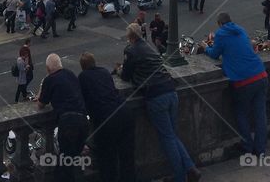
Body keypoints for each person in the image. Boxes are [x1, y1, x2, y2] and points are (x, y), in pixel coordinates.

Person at [118, 24, 199, 182]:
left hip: (156, 95)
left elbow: (126, 76)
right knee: (172, 135)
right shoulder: (150, 47)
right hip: (171, 91)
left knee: (167, 138)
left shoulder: (131, 50)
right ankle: (191, 169)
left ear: (130, 37)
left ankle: (180, 177)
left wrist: (120, 70)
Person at [203, 12, 268, 158]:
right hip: (260, 74)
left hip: (243, 80)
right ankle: (261, 149)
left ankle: (247, 145)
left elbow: (214, 54)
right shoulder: (241, 29)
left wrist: (205, 47)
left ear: (220, 24)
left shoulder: (220, 34)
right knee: (260, 114)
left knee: (241, 113)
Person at [78, 52, 134, 182]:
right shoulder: (104, 72)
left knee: (107, 160)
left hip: (106, 119)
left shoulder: (83, 77)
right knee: (127, 158)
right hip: (124, 112)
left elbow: (81, 100)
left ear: (82, 66)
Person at [37, 54, 89, 182]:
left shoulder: (50, 79)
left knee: (65, 162)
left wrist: (42, 86)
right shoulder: (71, 74)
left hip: (68, 122)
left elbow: (40, 104)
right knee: (76, 158)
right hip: (83, 120)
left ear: (48, 69)